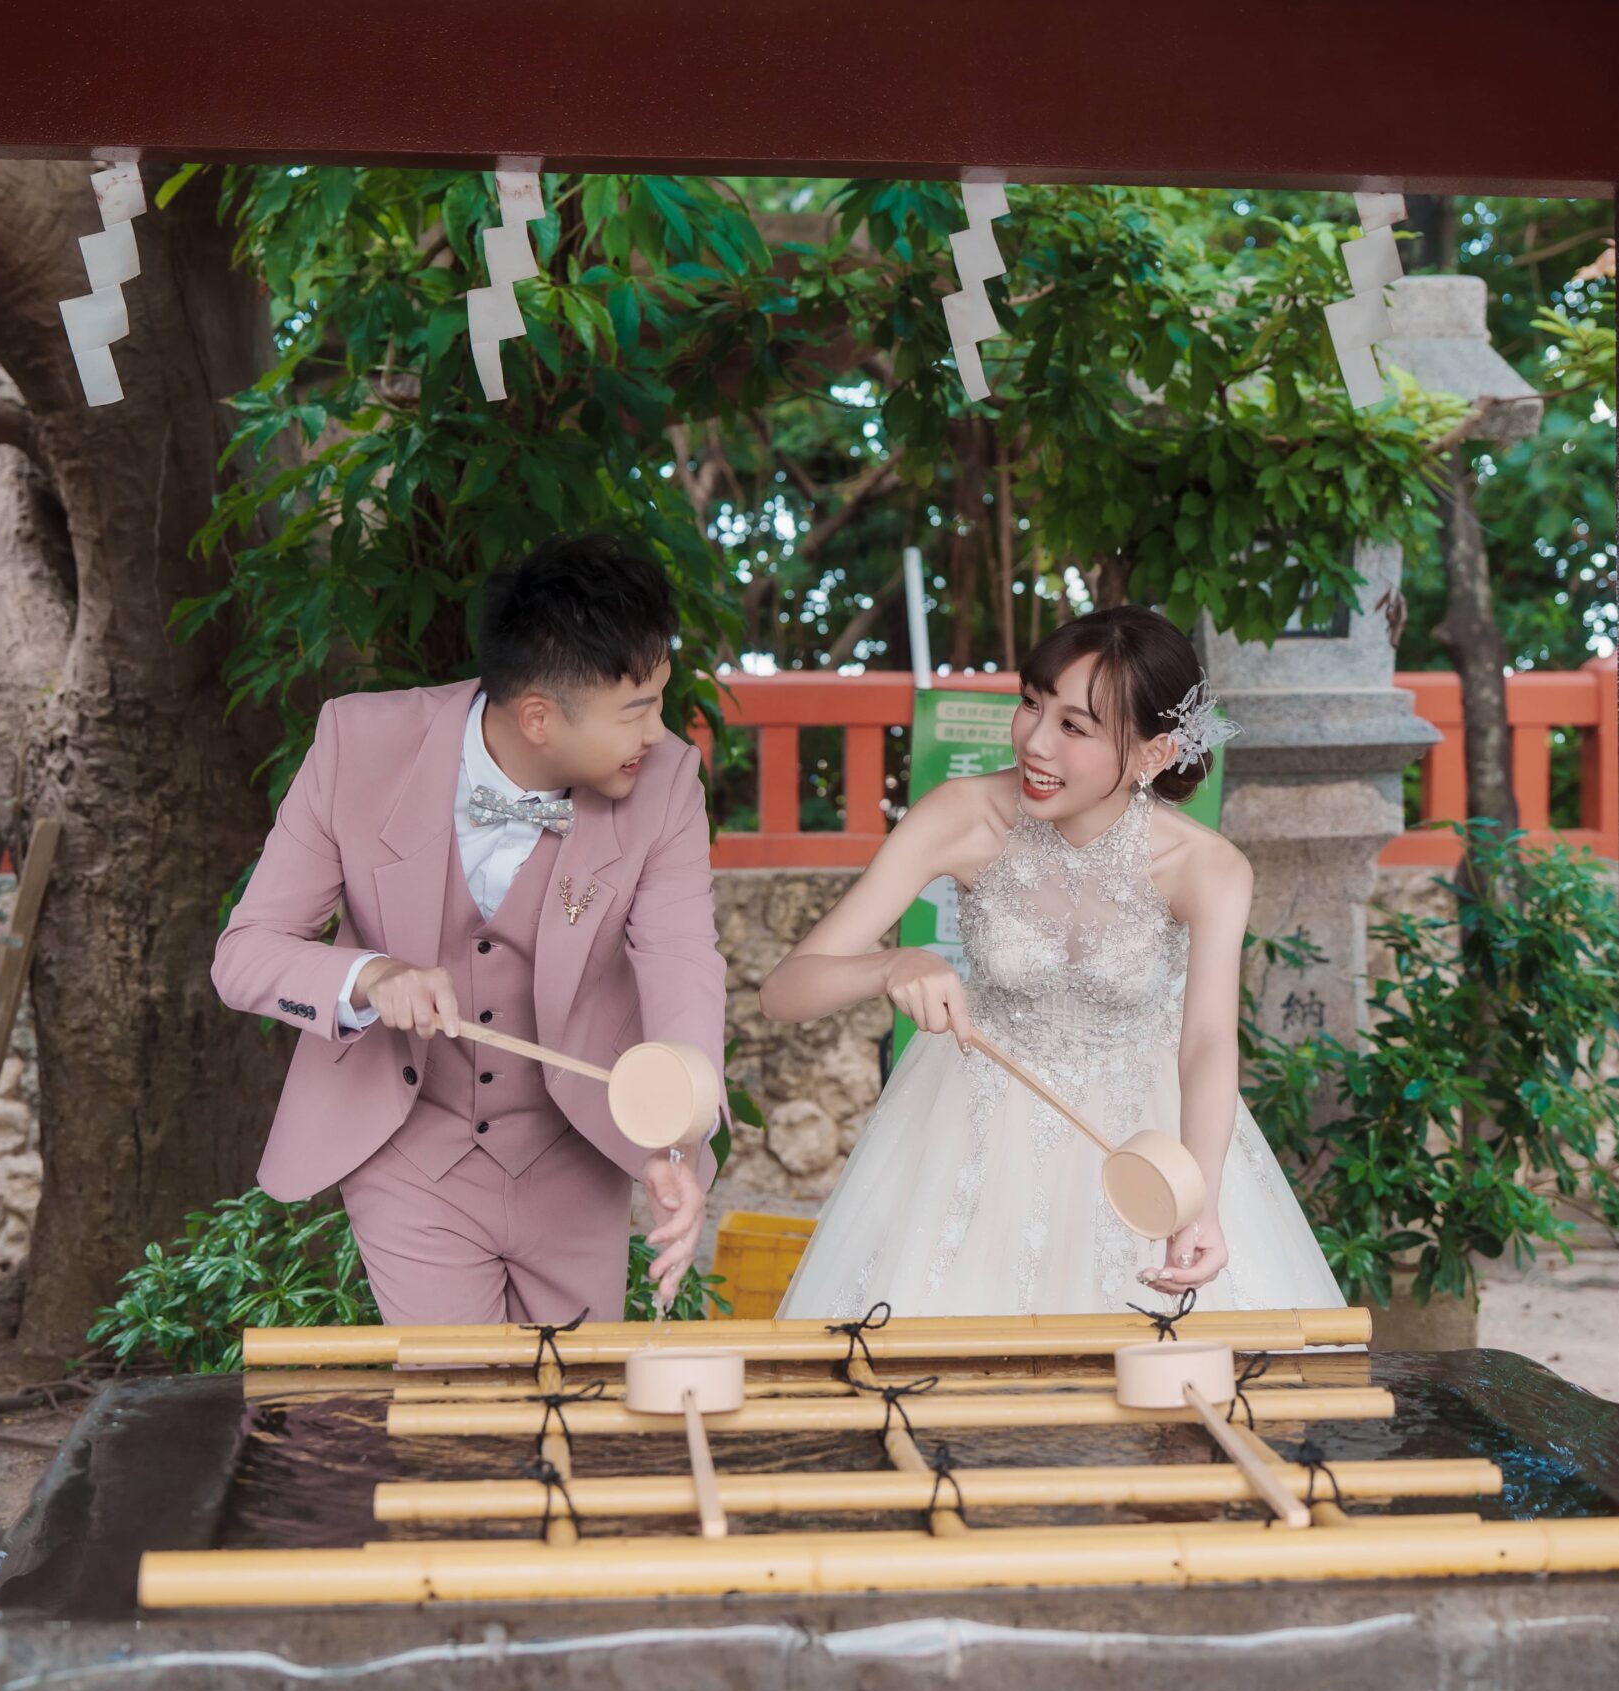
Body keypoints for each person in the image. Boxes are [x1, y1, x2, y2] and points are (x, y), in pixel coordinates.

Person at [764, 606, 1341, 1318]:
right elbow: (783, 991)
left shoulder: (1209, 867)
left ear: (1153, 754)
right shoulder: (962, 814)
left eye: (1074, 726)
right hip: (968, 1134)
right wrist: (887, 967)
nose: (1035, 742)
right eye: (1032, 704)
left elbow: (1207, 1043)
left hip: (1142, 1138)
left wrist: (1199, 1200)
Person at [212, 534, 726, 1325]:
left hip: (576, 1153)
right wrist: (370, 977)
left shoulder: (666, 783)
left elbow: (680, 959)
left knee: (574, 1390)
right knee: (456, 1389)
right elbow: (246, 953)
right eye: (637, 710)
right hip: (412, 1154)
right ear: (539, 716)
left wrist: (677, 1139)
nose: (658, 732)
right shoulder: (359, 746)